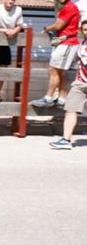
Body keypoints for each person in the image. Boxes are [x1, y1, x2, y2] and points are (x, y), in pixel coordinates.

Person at [32, 0, 82, 108]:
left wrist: (46, 28)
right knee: (61, 72)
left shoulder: (69, 7)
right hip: (66, 42)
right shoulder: (69, 7)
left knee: (53, 70)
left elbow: (58, 26)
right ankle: (62, 100)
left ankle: (48, 98)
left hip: (67, 43)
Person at [50, 20, 87, 150]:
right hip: (80, 83)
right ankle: (66, 140)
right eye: (85, 30)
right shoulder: (81, 45)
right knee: (71, 109)